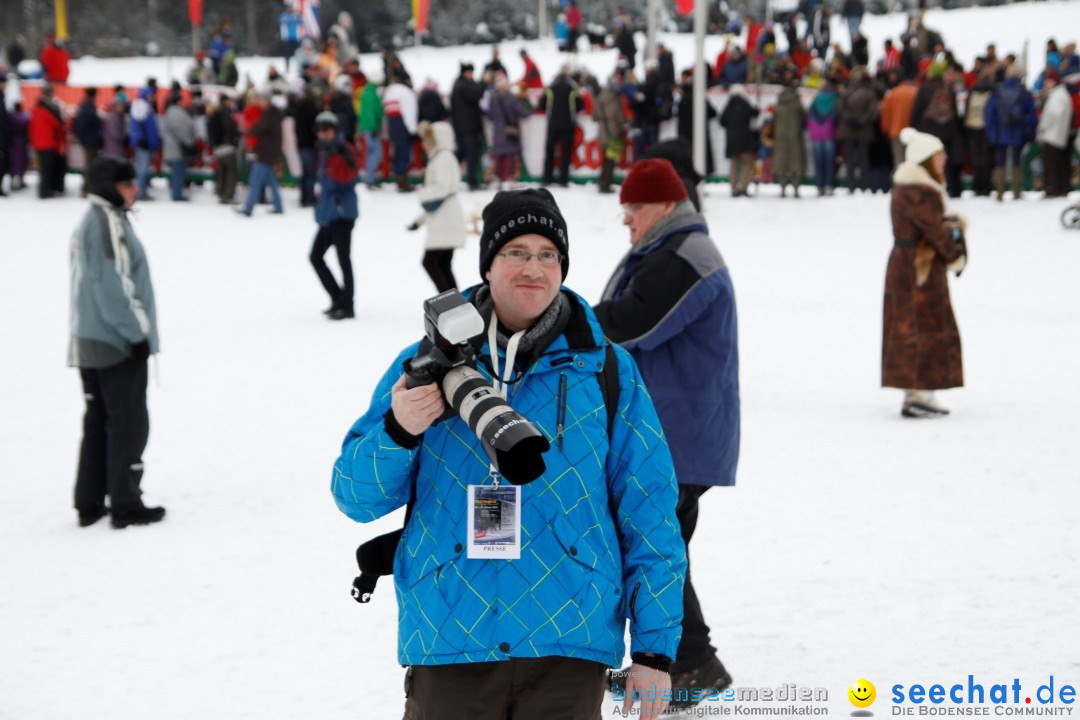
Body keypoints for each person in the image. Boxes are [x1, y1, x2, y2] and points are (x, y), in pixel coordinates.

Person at [331, 187, 685, 720]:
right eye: (515, 252)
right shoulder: (424, 362)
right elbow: (354, 496)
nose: (533, 269)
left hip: (568, 640)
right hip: (453, 633)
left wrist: (654, 651)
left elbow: (650, 511)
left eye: (548, 255)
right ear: (488, 265)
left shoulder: (607, 372)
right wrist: (399, 428)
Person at [592, 158, 737, 710]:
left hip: (680, 436)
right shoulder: (665, 251)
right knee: (662, 548)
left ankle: (693, 666)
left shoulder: (684, 256)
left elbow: (632, 322)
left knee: (657, 549)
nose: (627, 221)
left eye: (633, 209)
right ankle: (691, 662)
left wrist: (560, 321)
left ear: (663, 206)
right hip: (675, 431)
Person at [68, 155, 165, 529]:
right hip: (116, 344)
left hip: (92, 339)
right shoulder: (106, 222)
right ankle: (125, 502)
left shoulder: (91, 221)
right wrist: (137, 334)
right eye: (127, 185)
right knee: (127, 423)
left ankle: (90, 500)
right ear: (110, 188)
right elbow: (112, 286)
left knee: (99, 422)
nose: (134, 190)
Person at [883, 128, 967, 418]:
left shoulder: (910, 187)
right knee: (920, 328)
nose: (944, 159)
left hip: (909, 264)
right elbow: (935, 231)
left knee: (913, 326)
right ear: (925, 158)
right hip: (917, 268)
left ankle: (920, 392)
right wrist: (955, 252)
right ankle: (917, 392)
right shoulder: (920, 191)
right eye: (938, 154)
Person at [308, 112, 358, 320]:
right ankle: (338, 298)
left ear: (334, 130)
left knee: (343, 259)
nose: (322, 134)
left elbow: (348, 179)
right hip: (329, 213)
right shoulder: (326, 151)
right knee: (315, 256)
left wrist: (338, 164)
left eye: (326, 129)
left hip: (342, 214)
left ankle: (347, 305)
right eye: (320, 130)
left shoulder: (342, 149)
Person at [407, 121, 466, 293]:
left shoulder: (443, 158)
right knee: (441, 264)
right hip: (445, 217)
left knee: (431, 263)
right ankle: (456, 307)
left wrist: (421, 193)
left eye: (428, 139)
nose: (425, 144)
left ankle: (451, 306)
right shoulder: (442, 157)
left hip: (446, 220)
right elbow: (438, 201)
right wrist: (418, 222)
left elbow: (441, 189)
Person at [984, 64, 1037, 201]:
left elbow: (990, 113)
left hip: (1000, 131)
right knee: (1016, 161)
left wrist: (990, 132)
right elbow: (1031, 113)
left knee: (1000, 161)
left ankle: (1000, 193)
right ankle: (1016, 192)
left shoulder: (998, 91)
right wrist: (1030, 131)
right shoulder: (1023, 92)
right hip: (1018, 131)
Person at [239, 92, 284, 216]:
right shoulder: (273, 114)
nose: (259, 103)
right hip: (271, 152)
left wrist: (247, 131)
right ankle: (279, 207)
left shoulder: (269, 115)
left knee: (255, 181)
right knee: (272, 183)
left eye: (261, 100)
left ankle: (248, 208)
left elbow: (258, 128)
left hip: (265, 153)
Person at [540, 65, 583, 186]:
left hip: (553, 123)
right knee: (566, 152)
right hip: (567, 124)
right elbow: (580, 105)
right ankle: (563, 179)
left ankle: (547, 178)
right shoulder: (572, 88)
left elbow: (542, 104)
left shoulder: (551, 87)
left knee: (550, 151)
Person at [485, 74, 528, 189]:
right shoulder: (511, 97)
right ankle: (508, 177)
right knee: (509, 156)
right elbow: (521, 111)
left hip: (497, 131)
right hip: (509, 130)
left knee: (499, 156)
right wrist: (529, 110)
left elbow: (489, 114)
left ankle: (499, 178)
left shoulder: (492, 98)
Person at [1035, 71, 1073, 199]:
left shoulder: (1058, 95)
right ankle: (1058, 188)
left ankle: (1052, 189)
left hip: (1052, 135)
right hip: (1057, 134)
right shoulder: (1060, 94)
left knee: (1051, 165)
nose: (1046, 84)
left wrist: (1044, 126)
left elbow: (1054, 114)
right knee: (1057, 164)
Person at [451, 63, 486, 190]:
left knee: (462, 153)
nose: (471, 75)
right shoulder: (462, 86)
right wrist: (484, 82)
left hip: (464, 126)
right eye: (469, 72)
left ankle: (450, 176)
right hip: (467, 127)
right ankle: (471, 181)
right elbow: (475, 94)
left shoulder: (460, 84)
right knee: (470, 154)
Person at [719, 84, 759, 198]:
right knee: (747, 163)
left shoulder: (729, 105)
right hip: (745, 140)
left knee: (734, 165)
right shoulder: (745, 104)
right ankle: (744, 188)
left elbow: (722, 121)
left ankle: (733, 188)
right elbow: (754, 114)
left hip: (731, 141)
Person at [772, 79, 806, 198]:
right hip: (795, 137)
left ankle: (782, 188)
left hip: (780, 137)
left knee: (782, 163)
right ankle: (796, 188)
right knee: (795, 163)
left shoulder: (779, 104)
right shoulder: (797, 103)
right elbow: (803, 119)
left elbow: (774, 120)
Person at [161, 92, 196, 201]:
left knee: (177, 172)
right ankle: (177, 194)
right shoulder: (176, 113)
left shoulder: (170, 112)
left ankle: (177, 192)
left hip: (174, 147)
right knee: (178, 172)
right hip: (177, 148)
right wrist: (188, 142)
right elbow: (181, 129)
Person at [129, 87, 161, 200]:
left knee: (143, 169)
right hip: (144, 143)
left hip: (147, 143)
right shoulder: (140, 106)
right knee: (141, 169)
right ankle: (139, 192)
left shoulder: (145, 106)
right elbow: (137, 126)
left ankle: (141, 191)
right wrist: (141, 139)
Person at [207, 93, 240, 204]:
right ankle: (228, 196)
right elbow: (229, 129)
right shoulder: (226, 113)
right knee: (231, 172)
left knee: (222, 172)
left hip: (217, 147)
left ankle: (220, 193)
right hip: (226, 146)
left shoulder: (214, 113)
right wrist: (233, 140)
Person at [73, 88, 104, 197]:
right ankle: (86, 189)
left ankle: (89, 188)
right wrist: (84, 139)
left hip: (90, 140)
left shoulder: (87, 106)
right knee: (90, 166)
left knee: (91, 165)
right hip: (90, 141)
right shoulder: (87, 107)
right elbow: (82, 125)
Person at [356, 75, 384, 190]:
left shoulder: (367, 93)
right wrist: (375, 127)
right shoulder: (371, 94)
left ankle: (371, 178)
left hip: (368, 127)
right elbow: (372, 111)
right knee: (375, 153)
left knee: (372, 153)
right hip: (371, 128)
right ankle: (370, 179)